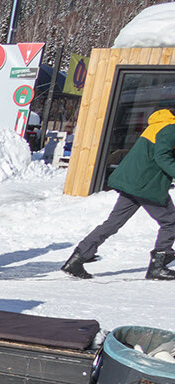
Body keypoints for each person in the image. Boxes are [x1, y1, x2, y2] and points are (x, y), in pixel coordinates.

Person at [61, 108, 175, 281]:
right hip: (145, 184)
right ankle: (158, 266)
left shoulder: (160, 124)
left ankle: (78, 258)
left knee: (113, 222)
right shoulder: (170, 128)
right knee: (171, 221)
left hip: (133, 181)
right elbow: (162, 156)